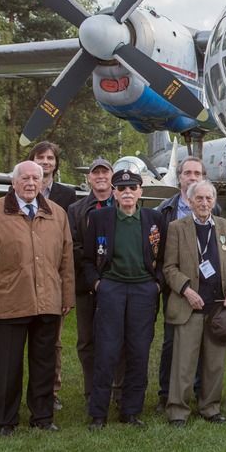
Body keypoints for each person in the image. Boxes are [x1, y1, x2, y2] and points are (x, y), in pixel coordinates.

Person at [0, 160, 73, 435]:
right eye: (25, 178)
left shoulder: (57, 213)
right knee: (9, 365)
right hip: (10, 301)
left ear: (43, 182)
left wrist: (67, 295)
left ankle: (42, 417)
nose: (30, 183)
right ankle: (4, 420)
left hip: (48, 301)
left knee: (44, 363)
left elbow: (66, 259)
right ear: (14, 182)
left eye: (35, 178)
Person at [83, 169, 167, 430]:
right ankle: (98, 413)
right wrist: (98, 283)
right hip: (112, 289)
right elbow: (87, 258)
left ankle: (131, 411)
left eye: (132, 188)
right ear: (114, 193)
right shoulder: (99, 218)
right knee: (107, 352)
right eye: (122, 188)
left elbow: (163, 258)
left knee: (139, 352)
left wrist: (157, 285)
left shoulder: (154, 219)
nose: (127, 192)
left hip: (143, 290)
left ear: (141, 191)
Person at [162, 181, 226, 426]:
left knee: (214, 363)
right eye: (199, 198)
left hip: (219, 306)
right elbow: (169, 267)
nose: (204, 203)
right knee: (184, 363)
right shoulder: (177, 228)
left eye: (209, 198)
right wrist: (186, 289)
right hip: (190, 306)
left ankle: (210, 407)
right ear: (190, 200)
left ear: (214, 200)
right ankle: (178, 410)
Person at [156, 155, 214, 412]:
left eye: (197, 173)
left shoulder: (213, 208)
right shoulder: (164, 210)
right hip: (174, 286)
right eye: (187, 173)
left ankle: (200, 391)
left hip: (208, 287)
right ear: (179, 177)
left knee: (204, 341)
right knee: (172, 342)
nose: (192, 177)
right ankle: (166, 393)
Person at [27, 140, 77, 409]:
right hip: (26, 275)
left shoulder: (66, 195)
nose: (45, 162)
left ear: (56, 163)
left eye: (50, 158)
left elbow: (67, 242)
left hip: (53, 275)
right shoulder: (21, 188)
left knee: (52, 340)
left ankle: (51, 390)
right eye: (40, 157)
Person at [67, 158, 117, 404]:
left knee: (116, 338)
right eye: (95, 173)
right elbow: (73, 245)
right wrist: (93, 271)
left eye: (104, 172)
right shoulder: (76, 209)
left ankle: (117, 391)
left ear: (112, 176)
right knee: (87, 341)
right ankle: (92, 392)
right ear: (89, 178)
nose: (100, 177)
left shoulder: (123, 203)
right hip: (86, 285)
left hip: (117, 283)